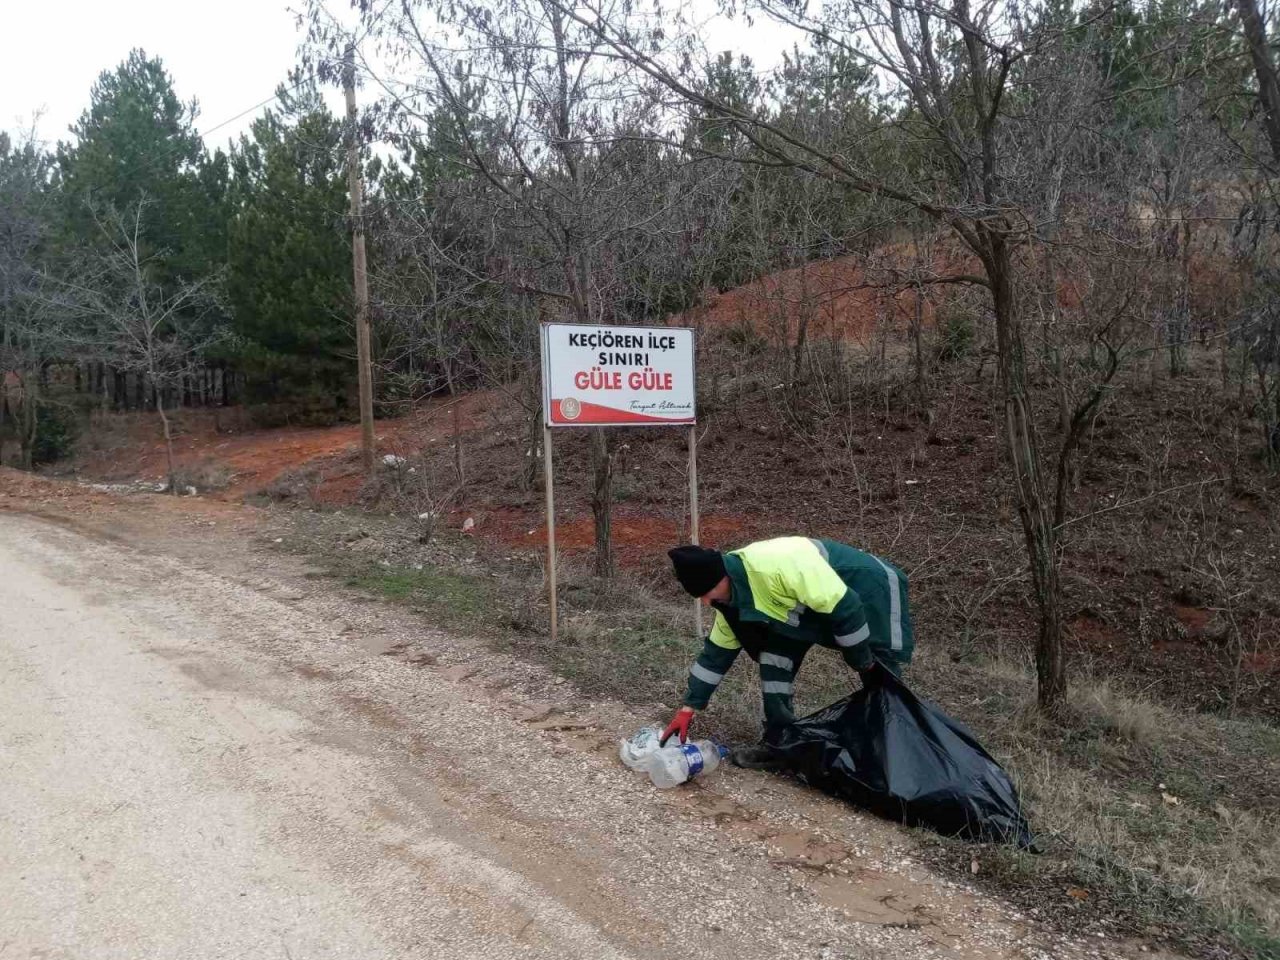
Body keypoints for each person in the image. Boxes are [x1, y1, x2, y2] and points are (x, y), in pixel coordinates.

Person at [662, 537, 914, 769]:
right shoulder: (730, 597)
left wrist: (862, 662)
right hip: (809, 604)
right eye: (700, 598)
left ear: (723, 577)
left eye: (707, 593)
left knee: (880, 672)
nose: (707, 602)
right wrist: (688, 707)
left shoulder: (778, 568)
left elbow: (846, 607)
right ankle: (777, 743)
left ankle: (895, 754)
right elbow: (716, 654)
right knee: (774, 656)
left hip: (869, 586)